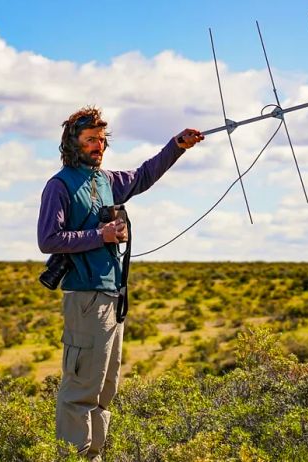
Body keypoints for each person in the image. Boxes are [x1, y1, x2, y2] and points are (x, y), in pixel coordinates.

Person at [37, 106, 203, 460]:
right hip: (85, 297)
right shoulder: (60, 185)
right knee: (81, 388)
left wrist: (177, 145)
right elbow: (48, 239)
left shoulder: (106, 180)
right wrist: (102, 234)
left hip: (113, 295)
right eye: (90, 140)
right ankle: (73, 456)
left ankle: (94, 454)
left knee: (105, 386)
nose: (98, 146)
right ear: (72, 143)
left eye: (101, 140)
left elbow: (143, 175)